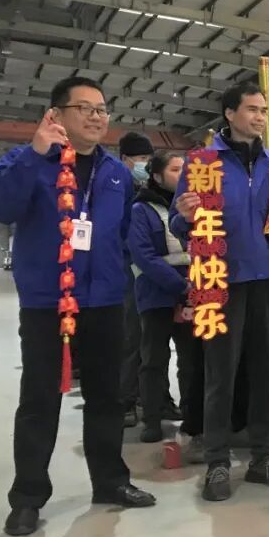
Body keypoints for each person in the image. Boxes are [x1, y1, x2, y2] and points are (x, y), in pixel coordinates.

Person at [0, 76, 156, 536]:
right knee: (39, 400)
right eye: (86, 108)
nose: (97, 117)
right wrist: (34, 152)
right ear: (56, 114)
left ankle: (110, 481)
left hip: (104, 300)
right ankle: (27, 498)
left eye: (102, 109)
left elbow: (123, 233)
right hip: (48, 303)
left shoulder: (116, 173)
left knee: (107, 397)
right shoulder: (27, 161)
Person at [171, 82, 269, 502]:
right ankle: (217, 461)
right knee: (221, 373)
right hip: (220, 281)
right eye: (251, 109)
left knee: (265, 373)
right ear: (230, 113)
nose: (259, 117)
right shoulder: (203, 164)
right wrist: (183, 216)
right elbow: (181, 225)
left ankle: (262, 457)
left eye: (264, 110)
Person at [128, 151, 207, 448]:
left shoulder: (198, 206)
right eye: (175, 170)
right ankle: (152, 418)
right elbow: (143, 256)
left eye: (185, 169)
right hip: (156, 294)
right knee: (153, 359)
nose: (183, 174)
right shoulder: (140, 210)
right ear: (157, 176)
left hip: (193, 292)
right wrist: (180, 286)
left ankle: (191, 417)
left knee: (192, 359)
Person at [118, 131, 157, 428]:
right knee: (131, 337)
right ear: (126, 160)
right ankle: (126, 401)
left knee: (153, 340)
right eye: (142, 158)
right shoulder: (117, 188)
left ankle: (154, 399)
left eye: (149, 158)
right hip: (127, 270)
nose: (146, 163)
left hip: (152, 271)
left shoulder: (152, 187)